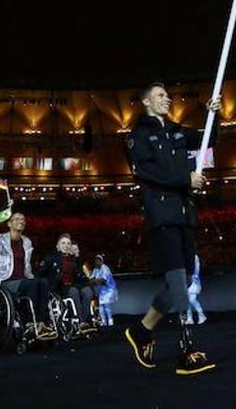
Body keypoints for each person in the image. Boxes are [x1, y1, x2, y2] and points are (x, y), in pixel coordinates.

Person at [123, 81, 220, 376]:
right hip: (162, 212)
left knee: (184, 279)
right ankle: (187, 349)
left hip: (185, 212)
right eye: (161, 95)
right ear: (146, 102)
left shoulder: (177, 131)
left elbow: (208, 139)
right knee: (177, 278)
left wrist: (213, 114)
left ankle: (142, 330)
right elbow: (146, 171)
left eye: (167, 95)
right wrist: (185, 180)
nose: (167, 99)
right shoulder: (138, 136)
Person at [0, 210, 57, 341]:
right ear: (9, 224)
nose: (21, 221)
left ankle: (41, 323)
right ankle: (29, 323)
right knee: (32, 284)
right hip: (4, 281)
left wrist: (33, 277)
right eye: (17, 219)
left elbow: (26, 267)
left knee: (43, 282)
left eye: (23, 219)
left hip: (22, 280)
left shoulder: (27, 242)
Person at [38, 232, 97, 331]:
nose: (66, 245)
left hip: (72, 285)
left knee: (87, 291)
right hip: (58, 287)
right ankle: (79, 321)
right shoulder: (51, 258)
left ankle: (84, 320)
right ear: (57, 246)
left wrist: (88, 281)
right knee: (74, 291)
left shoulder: (73, 260)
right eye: (63, 243)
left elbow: (78, 276)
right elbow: (41, 273)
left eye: (68, 243)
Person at [89, 253, 119, 327]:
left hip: (110, 289)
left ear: (101, 261)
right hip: (102, 290)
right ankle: (104, 321)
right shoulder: (95, 269)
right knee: (101, 306)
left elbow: (103, 281)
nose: (96, 262)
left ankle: (110, 321)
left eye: (98, 260)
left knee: (106, 305)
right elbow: (91, 280)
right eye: (95, 260)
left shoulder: (105, 268)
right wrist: (95, 281)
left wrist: (95, 281)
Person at [184, 253, 206, 325]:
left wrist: (195, 276)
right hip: (187, 281)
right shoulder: (186, 257)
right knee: (187, 302)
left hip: (193, 282)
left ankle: (201, 315)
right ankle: (189, 318)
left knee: (192, 300)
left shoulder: (194, 257)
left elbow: (196, 267)